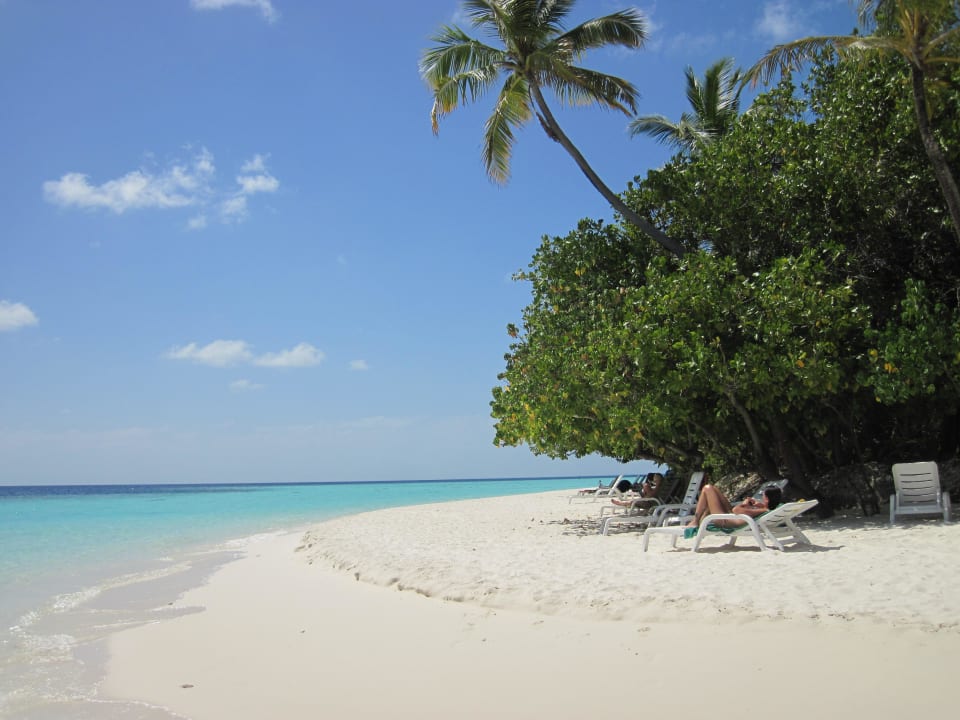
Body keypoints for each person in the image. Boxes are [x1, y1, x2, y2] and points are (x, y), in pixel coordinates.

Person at [686, 484, 782, 529]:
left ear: (767, 499)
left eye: (763, 496)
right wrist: (757, 505)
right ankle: (699, 519)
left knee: (707, 489)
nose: (761, 497)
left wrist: (745, 504)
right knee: (714, 489)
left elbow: (736, 510)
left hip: (725, 521)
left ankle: (696, 520)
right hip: (729, 516)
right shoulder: (764, 508)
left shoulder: (763, 510)